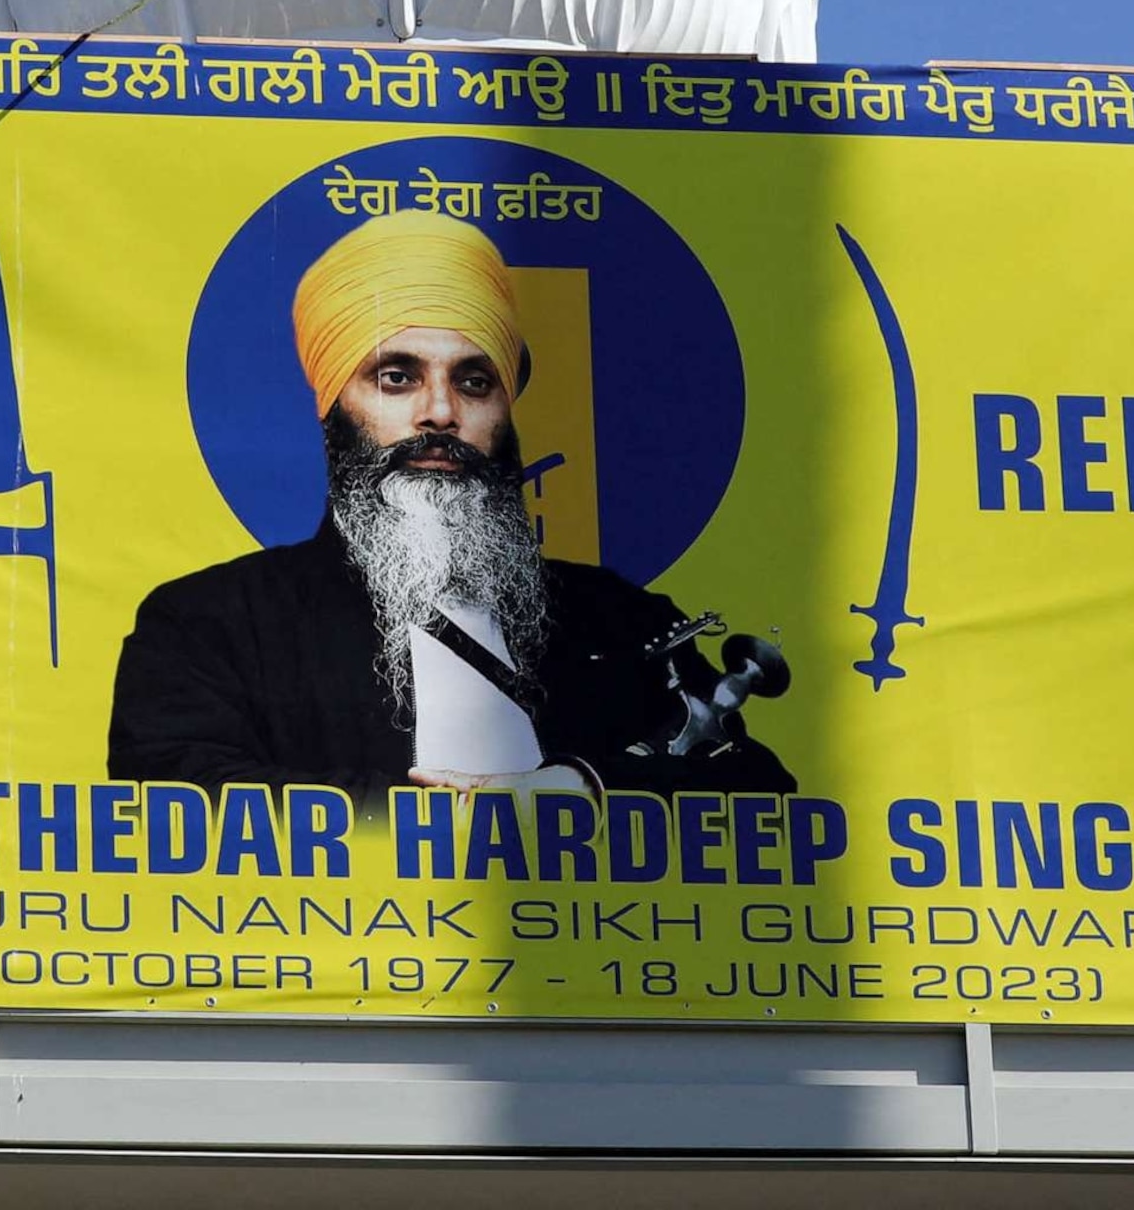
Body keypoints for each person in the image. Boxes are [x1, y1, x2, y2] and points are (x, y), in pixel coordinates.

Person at [109, 209, 792, 806]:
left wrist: (586, 789)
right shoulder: (212, 622)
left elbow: (761, 791)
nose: (440, 413)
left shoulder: (618, 617)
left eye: (474, 381)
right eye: (397, 377)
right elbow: (171, 786)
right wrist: (441, 823)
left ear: (506, 410)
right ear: (333, 407)